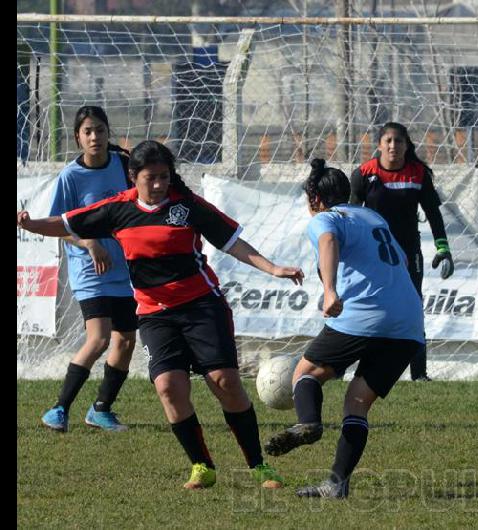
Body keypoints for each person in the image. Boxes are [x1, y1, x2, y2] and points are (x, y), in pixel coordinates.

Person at [18, 140, 304, 490]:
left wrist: (272, 268)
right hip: (155, 314)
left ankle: (259, 465)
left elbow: (231, 241)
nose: (158, 185)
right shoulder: (117, 209)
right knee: (169, 386)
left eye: (164, 177)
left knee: (226, 383)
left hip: (202, 305)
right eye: (150, 178)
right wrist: (30, 225)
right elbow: (66, 223)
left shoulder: (188, 206)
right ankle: (202, 466)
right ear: (132, 177)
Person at [264, 159, 425, 499]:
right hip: (409, 323)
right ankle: (336, 484)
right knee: (357, 403)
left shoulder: (324, 218)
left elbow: (327, 241)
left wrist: (330, 290)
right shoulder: (372, 216)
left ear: (314, 199)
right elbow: (404, 261)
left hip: (364, 315)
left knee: (304, 374)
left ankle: (307, 422)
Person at [41, 106, 137, 433]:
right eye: (87, 132)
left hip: (124, 269)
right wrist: (89, 242)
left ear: (108, 132)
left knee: (125, 341)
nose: (94, 136)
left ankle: (101, 408)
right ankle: (59, 409)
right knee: (98, 338)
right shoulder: (71, 176)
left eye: (100, 130)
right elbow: (60, 225)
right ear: (77, 138)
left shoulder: (124, 166)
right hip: (89, 270)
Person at [349, 122, 453, 382]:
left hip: (408, 254)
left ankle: (419, 374)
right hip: (373, 255)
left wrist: (443, 247)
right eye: (388, 141)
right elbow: (350, 216)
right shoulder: (363, 174)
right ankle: (359, 370)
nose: (393, 145)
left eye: (399, 141)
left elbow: (433, 214)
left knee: (412, 308)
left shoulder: (418, 174)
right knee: (369, 306)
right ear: (379, 145)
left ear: (407, 146)